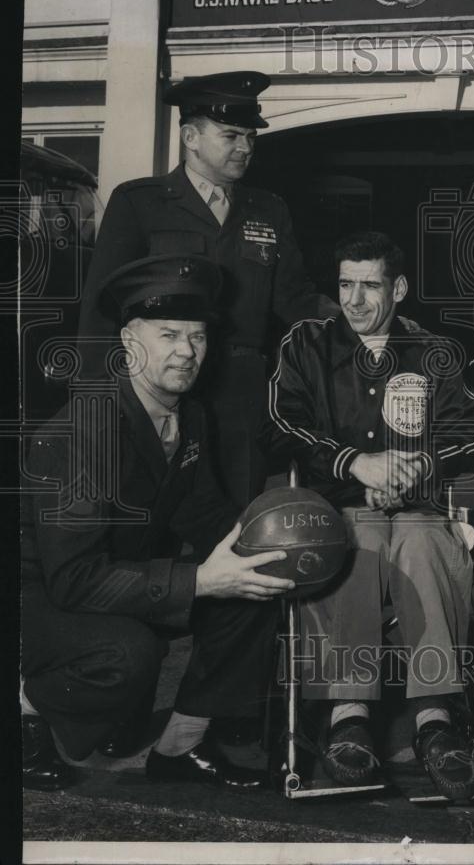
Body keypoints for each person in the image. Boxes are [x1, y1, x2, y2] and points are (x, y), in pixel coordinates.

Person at [22, 254, 295, 791]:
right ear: (128, 340)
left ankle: (181, 746)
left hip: (116, 577)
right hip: (40, 594)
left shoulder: (187, 413)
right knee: (127, 657)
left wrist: (273, 538)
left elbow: (205, 513)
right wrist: (199, 580)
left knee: (255, 589)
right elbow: (73, 578)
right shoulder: (85, 431)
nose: (186, 352)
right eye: (168, 334)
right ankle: (24, 707)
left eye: (197, 337)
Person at [266, 231, 474, 800]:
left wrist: (422, 465)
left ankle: (434, 719)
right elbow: (277, 423)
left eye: (370, 286)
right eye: (346, 284)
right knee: (361, 533)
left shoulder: (432, 352)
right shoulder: (307, 344)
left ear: (399, 288)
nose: (356, 301)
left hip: (419, 508)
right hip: (339, 507)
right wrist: (354, 463)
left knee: (419, 536)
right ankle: (350, 715)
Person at [78, 71, 335, 510]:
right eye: (232, 135)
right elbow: (102, 309)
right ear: (190, 136)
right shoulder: (140, 203)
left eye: (251, 137)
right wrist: (98, 401)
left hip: (242, 399)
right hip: (160, 391)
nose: (246, 147)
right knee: (152, 517)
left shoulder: (269, 209)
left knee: (237, 520)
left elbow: (296, 299)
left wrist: (356, 320)